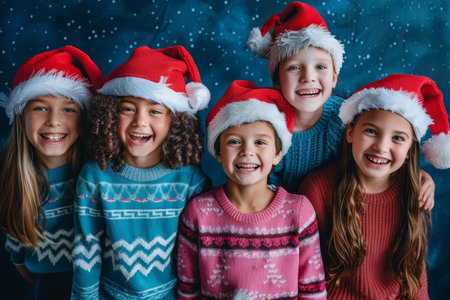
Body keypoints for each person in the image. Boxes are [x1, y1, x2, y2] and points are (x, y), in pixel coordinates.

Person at [246, 2, 435, 209]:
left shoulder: (345, 118)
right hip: (283, 220)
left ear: (334, 77)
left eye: (320, 67)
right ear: (276, 80)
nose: (308, 77)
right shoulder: (266, 126)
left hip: (341, 219)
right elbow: (256, 185)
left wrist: (418, 176)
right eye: (294, 67)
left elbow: (377, 154)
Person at [71, 45, 210, 300]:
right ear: (110, 113)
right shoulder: (94, 176)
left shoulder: (191, 181)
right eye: (128, 108)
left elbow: (198, 258)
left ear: (175, 120)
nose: (139, 122)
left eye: (155, 111)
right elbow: (86, 251)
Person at [298, 74, 450, 299]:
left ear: (410, 150)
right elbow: (298, 268)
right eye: (371, 131)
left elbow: (416, 277)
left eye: (398, 138)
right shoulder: (318, 189)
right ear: (350, 132)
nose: (381, 147)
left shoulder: (413, 192)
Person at [177, 80, 327, 300]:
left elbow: (313, 289)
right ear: (218, 152)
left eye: (260, 142)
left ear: (277, 154)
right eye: (235, 142)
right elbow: (187, 291)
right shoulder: (198, 213)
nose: (247, 152)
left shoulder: (299, 212)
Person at [0, 46, 104, 299]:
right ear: (21, 115)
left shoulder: (98, 175)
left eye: (68, 109)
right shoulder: (12, 180)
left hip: (104, 286)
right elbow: (21, 262)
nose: (54, 121)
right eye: (40, 108)